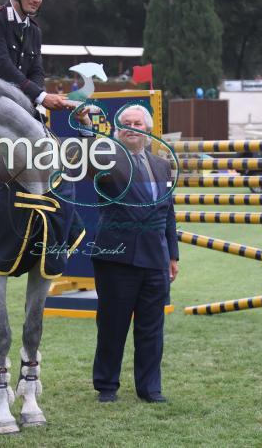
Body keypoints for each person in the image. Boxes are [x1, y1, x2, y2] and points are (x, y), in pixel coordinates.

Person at [87, 104, 179, 404]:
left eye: (137, 122)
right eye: (125, 123)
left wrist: (172, 256)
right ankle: (107, 386)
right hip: (117, 259)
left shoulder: (163, 166)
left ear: (147, 130)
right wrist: (88, 125)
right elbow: (93, 151)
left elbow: (168, 213)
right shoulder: (109, 159)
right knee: (113, 326)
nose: (131, 127)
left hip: (155, 260)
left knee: (152, 329)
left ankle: (150, 389)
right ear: (117, 129)